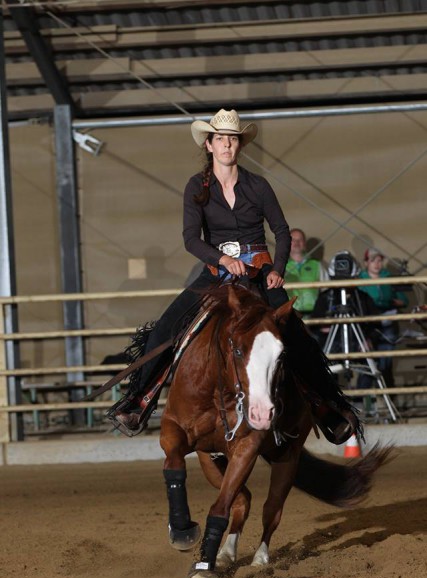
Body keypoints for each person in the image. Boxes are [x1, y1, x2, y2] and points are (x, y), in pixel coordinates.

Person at [108, 108, 359, 444]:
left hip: (259, 272)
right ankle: (139, 401)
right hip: (215, 274)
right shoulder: (197, 187)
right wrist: (223, 258)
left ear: (239, 145)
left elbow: (282, 232)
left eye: (232, 139)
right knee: (164, 331)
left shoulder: (258, 186)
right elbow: (191, 239)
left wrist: (277, 270)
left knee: (297, 337)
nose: (227, 145)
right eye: (220, 139)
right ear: (209, 145)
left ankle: (327, 407)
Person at [357, 247, 408, 388]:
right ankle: (366, 401)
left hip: (387, 322)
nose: (377, 263)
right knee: (368, 363)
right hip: (368, 325)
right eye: (373, 260)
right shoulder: (359, 279)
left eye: (379, 260)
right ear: (366, 262)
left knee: (385, 363)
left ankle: (387, 398)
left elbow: (404, 300)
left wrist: (394, 301)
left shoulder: (388, 277)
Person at [285, 228, 328, 317]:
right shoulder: (280, 266)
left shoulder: (317, 265)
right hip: (289, 316)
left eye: (300, 239)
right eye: (293, 240)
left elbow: (326, 290)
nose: (296, 243)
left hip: (314, 316)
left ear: (304, 243)